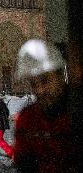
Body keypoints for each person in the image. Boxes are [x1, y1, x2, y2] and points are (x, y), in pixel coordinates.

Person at [14, 39, 73, 173]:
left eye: (45, 80)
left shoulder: (76, 112)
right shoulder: (27, 119)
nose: (39, 90)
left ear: (61, 76)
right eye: (34, 84)